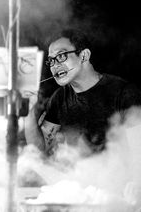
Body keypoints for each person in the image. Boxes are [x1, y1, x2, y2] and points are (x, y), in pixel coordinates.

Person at [24, 28, 141, 157]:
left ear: (84, 56)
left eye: (61, 56)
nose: (54, 65)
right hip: (76, 175)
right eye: (51, 60)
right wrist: (29, 112)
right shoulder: (59, 98)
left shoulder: (124, 93)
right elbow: (41, 150)